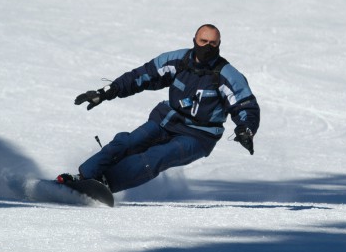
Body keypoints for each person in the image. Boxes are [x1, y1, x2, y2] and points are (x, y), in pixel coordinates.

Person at [58, 24, 260, 195]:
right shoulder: (177, 61)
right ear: (194, 41)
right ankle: (83, 176)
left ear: (219, 45)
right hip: (167, 120)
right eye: (203, 41)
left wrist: (246, 128)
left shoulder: (227, 75)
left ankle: (104, 185)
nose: (207, 47)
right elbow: (142, 76)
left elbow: (245, 106)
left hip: (199, 135)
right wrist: (105, 92)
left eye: (212, 43)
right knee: (127, 142)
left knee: (156, 156)